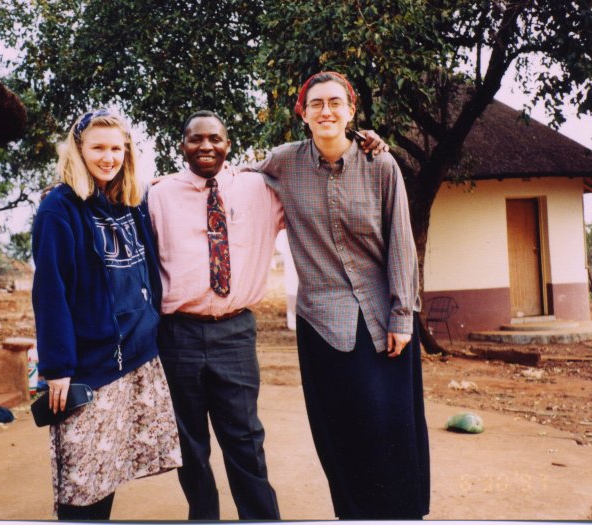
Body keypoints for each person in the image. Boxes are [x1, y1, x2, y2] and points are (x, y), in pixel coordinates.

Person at [251, 71, 430, 519]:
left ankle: (402, 515)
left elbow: (401, 241)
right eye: (316, 104)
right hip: (323, 322)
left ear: (352, 111)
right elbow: (230, 181)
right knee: (340, 430)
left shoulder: (380, 164)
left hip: (384, 322)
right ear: (303, 114)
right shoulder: (284, 162)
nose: (326, 111)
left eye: (336, 103)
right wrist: (164, 186)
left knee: (391, 429)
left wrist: (402, 315)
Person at [31, 109, 182, 521]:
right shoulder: (58, 210)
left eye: (116, 148)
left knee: (109, 473)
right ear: (78, 150)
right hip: (88, 367)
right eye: (98, 147)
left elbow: (147, 270)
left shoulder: (128, 204)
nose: (108, 157)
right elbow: (50, 294)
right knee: (82, 487)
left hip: (135, 359)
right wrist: (57, 367)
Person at [147, 110, 284, 520]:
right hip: (177, 334)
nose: (206, 146)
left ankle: (261, 518)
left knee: (245, 438)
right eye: (195, 139)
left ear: (228, 144)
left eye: (215, 139)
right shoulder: (158, 194)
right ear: (181, 145)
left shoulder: (260, 189)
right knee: (189, 445)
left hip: (235, 333)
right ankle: (203, 517)